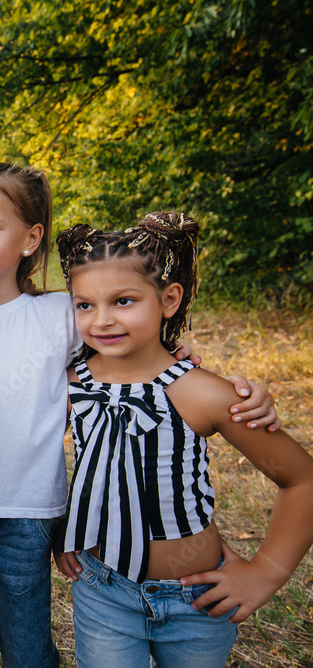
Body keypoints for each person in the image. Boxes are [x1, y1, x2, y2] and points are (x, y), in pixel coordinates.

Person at [0, 162, 280, 667]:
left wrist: (202, 365)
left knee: (27, 644)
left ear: (30, 239)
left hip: (26, 512)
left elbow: (125, 348)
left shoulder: (60, 314)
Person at [53, 213, 313, 667]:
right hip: (103, 591)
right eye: (85, 305)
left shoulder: (202, 392)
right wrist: (65, 529)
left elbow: (302, 480)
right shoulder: (68, 383)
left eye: (124, 301)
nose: (103, 320)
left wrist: (265, 573)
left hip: (195, 601)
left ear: (169, 299)